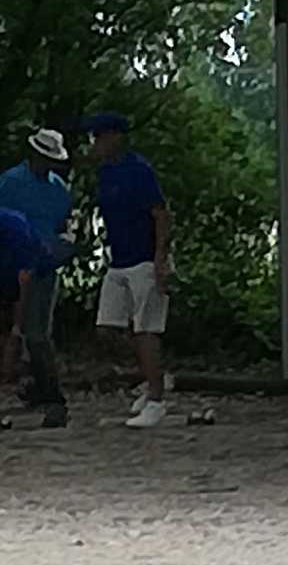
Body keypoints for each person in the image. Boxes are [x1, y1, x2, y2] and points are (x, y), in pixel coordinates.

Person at [82, 112, 173, 429]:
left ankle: (156, 399)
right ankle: (152, 376)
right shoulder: (105, 173)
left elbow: (160, 214)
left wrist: (160, 258)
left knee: (146, 328)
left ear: (115, 137)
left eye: (100, 136)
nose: (96, 143)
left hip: (144, 259)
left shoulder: (139, 171)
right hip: (118, 260)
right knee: (108, 327)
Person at [0, 129, 75, 427]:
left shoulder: (59, 189)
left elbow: (64, 225)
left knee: (37, 332)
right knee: (20, 330)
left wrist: (64, 246)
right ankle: (37, 386)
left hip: (43, 264)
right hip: (13, 260)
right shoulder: (10, 183)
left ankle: (52, 395)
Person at [0, 206, 51, 419]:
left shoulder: (16, 229)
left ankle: (49, 395)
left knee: (34, 335)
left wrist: (16, 330)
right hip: (7, 275)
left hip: (37, 273)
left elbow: (25, 282)